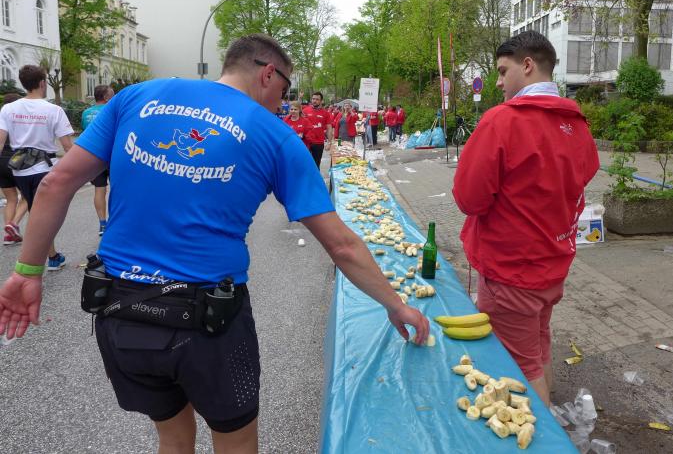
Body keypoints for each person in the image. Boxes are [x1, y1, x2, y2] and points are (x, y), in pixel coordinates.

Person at [0, 34, 428, 454]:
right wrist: (394, 304)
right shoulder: (275, 135)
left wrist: (28, 272)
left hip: (119, 310)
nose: (282, 103)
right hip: (207, 322)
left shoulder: (136, 97)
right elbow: (342, 245)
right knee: (235, 440)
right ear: (267, 73)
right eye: (284, 91)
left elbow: (56, 184)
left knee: (172, 438)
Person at [452, 31, 599, 407]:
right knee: (538, 348)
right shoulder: (576, 124)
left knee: (517, 370)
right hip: (552, 266)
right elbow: (584, 175)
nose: (498, 82)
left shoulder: (503, 121)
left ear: (528, 65)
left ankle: (540, 432)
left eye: (503, 71)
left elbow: (468, 198)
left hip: (511, 270)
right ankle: (552, 420)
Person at [0, 65, 73, 270]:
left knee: (36, 212)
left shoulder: (8, 109)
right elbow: (68, 146)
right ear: (42, 83)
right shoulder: (54, 110)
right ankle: (37, 260)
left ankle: (53, 256)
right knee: (45, 215)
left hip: (20, 169)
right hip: (45, 168)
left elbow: (0, 142)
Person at [82, 84, 115, 235]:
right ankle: (115, 222)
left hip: (94, 155)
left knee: (99, 189)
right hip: (112, 155)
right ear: (106, 97)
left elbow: (86, 132)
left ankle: (102, 224)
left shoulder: (86, 113)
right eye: (112, 95)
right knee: (117, 189)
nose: (114, 97)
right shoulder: (112, 110)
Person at [0, 93, 27, 245]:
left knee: (11, 199)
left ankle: (9, 236)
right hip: (17, 160)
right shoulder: (19, 120)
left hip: (1, 161)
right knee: (27, 196)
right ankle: (14, 224)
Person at [302, 91, 333, 169]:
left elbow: (329, 128)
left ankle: (315, 177)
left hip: (318, 143)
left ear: (321, 101)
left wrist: (329, 142)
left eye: (317, 99)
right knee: (304, 164)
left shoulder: (326, 113)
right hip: (306, 142)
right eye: (313, 99)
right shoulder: (305, 111)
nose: (314, 101)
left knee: (316, 165)